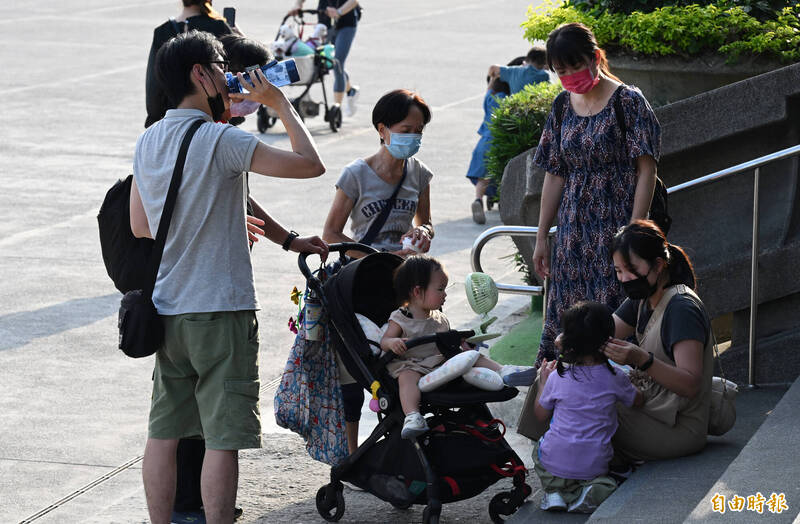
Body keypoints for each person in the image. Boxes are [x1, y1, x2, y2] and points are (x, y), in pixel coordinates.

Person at [129, 30, 327, 524]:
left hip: (168, 308)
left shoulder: (149, 138)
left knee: (165, 431)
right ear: (200, 74)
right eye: (218, 65)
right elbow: (310, 165)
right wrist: (277, 101)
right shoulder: (222, 139)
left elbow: (140, 224)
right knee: (222, 437)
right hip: (221, 306)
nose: (227, 74)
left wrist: (268, 231)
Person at [531, 22, 661, 366]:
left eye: (575, 66)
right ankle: (568, 403)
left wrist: (633, 234)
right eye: (561, 70)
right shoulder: (561, 107)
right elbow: (555, 174)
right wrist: (543, 237)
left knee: (613, 322)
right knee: (570, 322)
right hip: (573, 239)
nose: (570, 75)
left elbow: (646, 169)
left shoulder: (628, 102)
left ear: (596, 57)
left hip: (615, 235)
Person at [322, 88, 435, 452]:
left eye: (419, 130)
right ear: (382, 128)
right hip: (362, 282)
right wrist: (376, 257)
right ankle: (352, 453)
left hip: (405, 288)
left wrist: (423, 233)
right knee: (355, 369)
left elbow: (427, 221)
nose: (413, 137)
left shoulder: (419, 174)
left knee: (409, 360)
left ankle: (404, 437)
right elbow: (331, 233)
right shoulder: (356, 174)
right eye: (406, 129)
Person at [603, 220, 713, 463]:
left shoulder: (681, 308)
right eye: (619, 271)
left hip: (680, 428)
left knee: (588, 403)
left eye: (631, 269)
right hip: (655, 411)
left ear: (658, 265)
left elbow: (690, 384)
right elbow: (605, 333)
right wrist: (575, 335)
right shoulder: (643, 298)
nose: (625, 278)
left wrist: (641, 359)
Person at [380, 256, 521, 439]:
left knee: (471, 356)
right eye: (440, 289)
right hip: (412, 364)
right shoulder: (401, 318)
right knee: (406, 379)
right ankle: (413, 415)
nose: (445, 295)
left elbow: (448, 342)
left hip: (440, 363)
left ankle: (505, 371)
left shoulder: (439, 317)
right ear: (417, 291)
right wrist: (393, 343)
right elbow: (385, 340)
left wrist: (463, 345)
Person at [529, 301, 642, 513]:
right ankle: (589, 491)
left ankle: (555, 493)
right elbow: (637, 401)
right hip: (593, 464)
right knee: (604, 477)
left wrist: (543, 383)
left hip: (554, 461)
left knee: (540, 449)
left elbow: (540, 414)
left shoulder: (557, 376)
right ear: (608, 340)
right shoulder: (615, 377)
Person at [145, 0, 236, 128]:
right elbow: (235, 70)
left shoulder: (162, 31)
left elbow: (153, 83)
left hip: (174, 119)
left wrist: (154, 116)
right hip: (214, 117)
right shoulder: (219, 26)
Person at [289, 0, 361, 116]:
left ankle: (336, 107)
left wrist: (339, 12)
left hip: (346, 22)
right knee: (328, 61)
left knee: (337, 62)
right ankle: (351, 91)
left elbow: (353, 1)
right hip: (325, 22)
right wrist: (297, 6)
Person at [466, 75, 510, 224]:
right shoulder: (510, 100)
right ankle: (500, 200)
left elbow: (488, 90)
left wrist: (492, 80)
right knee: (500, 175)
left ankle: (478, 199)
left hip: (484, 142)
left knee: (483, 178)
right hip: (499, 142)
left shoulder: (489, 100)